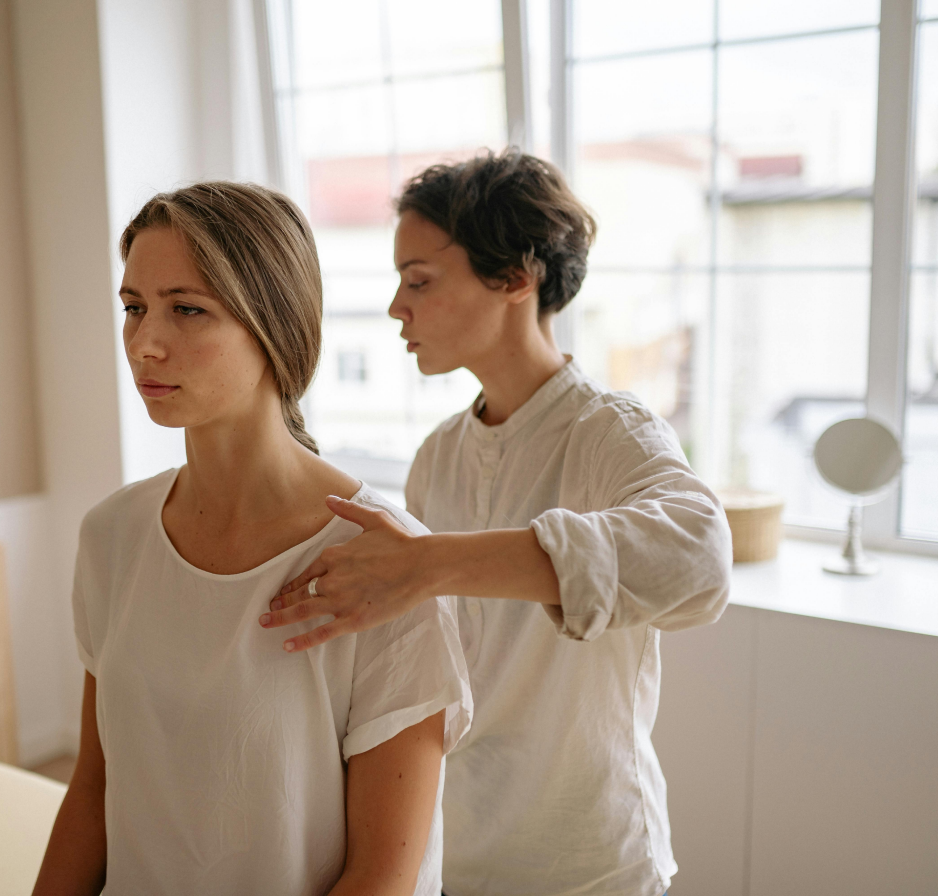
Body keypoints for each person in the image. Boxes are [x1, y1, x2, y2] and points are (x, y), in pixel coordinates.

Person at [261, 150, 733, 896]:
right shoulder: (437, 457)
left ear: (516, 277)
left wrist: (432, 562)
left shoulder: (611, 433)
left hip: (588, 861)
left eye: (418, 280)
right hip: (459, 847)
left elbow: (699, 560)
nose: (395, 307)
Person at [32, 182, 472, 896]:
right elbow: (93, 790)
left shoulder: (384, 565)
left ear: (273, 323)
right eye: (134, 307)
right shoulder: (111, 536)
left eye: (187, 310)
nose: (144, 342)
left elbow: (381, 878)